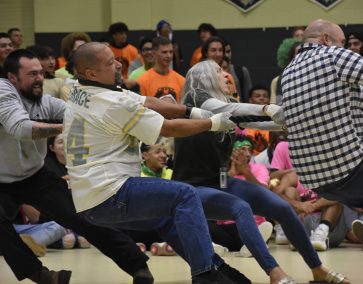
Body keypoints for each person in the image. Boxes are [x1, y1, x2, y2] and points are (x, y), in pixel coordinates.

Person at [64, 41, 244, 284]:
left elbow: (144, 101)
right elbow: (168, 129)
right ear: (91, 73)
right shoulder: (113, 103)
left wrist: (191, 111)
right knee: (185, 195)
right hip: (110, 194)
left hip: (88, 201)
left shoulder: (80, 89)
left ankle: (217, 269)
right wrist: (214, 123)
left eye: (115, 58)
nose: (118, 64)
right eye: (110, 62)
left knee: (168, 216)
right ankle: (207, 275)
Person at [173, 59, 349, 284]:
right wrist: (267, 107)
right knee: (241, 209)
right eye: (218, 71)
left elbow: (261, 122)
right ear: (203, 79)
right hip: (192, 189)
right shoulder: (195, 102)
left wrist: (297, 121)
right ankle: (275, 273)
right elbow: (239, 110)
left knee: (283, 209)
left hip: (221, 182)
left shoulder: (226, 105)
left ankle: (318, 269)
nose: (226, 75)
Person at [0, 49, 159, 284]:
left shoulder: (43, 101)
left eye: (41, 73)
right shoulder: (3, 91)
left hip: (34, 175)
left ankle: (138, 267)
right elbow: (21, 129)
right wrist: (64, 127)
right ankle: (41, 275)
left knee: (84, 215)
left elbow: (81, 114)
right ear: (12, 77)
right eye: (32, 74)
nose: (39, 79)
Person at [281, 19, 363, 260]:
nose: (346, 48)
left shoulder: (288, 72)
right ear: (325, 39)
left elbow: (328, 121)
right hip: (352, 163)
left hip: (319, 180)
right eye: (343, 42)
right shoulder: (332, 55)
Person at [136, 37, 185, 101]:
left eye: (171, 52)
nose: (169, 56)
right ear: (154, 53)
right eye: (164, 52)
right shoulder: (142, 81)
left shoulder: (181, 81)